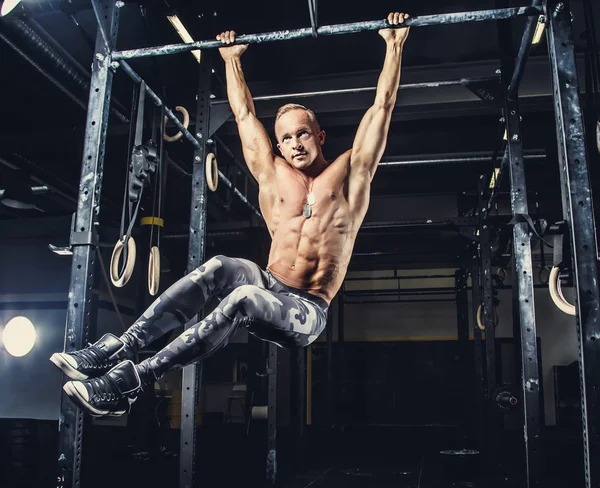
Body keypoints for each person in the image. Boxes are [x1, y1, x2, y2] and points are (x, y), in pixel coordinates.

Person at [51, 12, 411, 417]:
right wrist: (230, 59)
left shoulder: (350, 172)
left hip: (307, 309)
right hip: (269, 281)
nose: (294, 143)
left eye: (303, 133)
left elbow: (383, 106)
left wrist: (394, 44)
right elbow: (244, 116)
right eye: (286, 137)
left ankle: (135, 379)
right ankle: (123, 346)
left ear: (320, 135)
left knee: (243, 296)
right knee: (220, 267)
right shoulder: (273, 174)